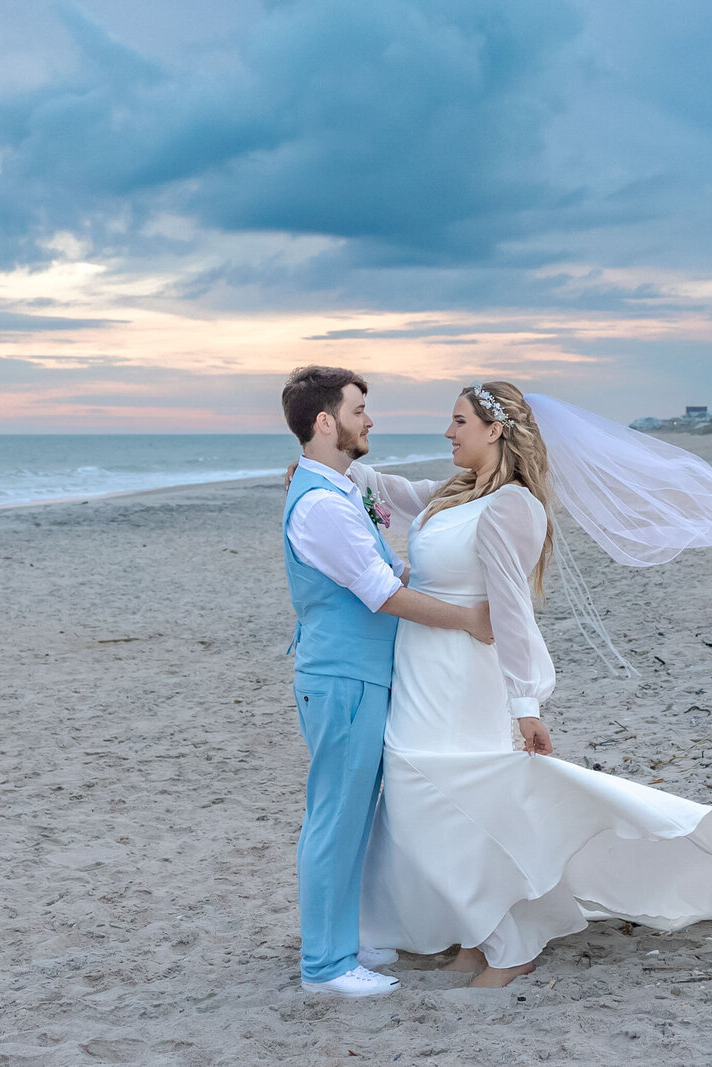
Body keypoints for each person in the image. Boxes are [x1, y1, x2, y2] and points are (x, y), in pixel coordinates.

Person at [348, 382, 712, 988]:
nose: (448, 433)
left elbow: (511, 610)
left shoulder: (512, 507)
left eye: (458, 422)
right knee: (437, 803)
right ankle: (478, 938)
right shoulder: (450, 497)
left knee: (444, 802)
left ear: (495, 429)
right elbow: (395, 493)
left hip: (462, 677)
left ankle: (512, 944)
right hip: (420, 670)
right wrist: (329, 468)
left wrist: (526, 703)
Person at [278, 366, 494, 997]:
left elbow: (388, 559)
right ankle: (324, 966)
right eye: (358, 409)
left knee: (355, 818)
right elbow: (385, 594)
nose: (368, 420)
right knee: (334, 818)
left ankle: (346, 941)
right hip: (342, 678)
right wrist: (469, 622)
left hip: (361, 676)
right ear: (326, 422)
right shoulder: (322, 506)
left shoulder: (340, 490)